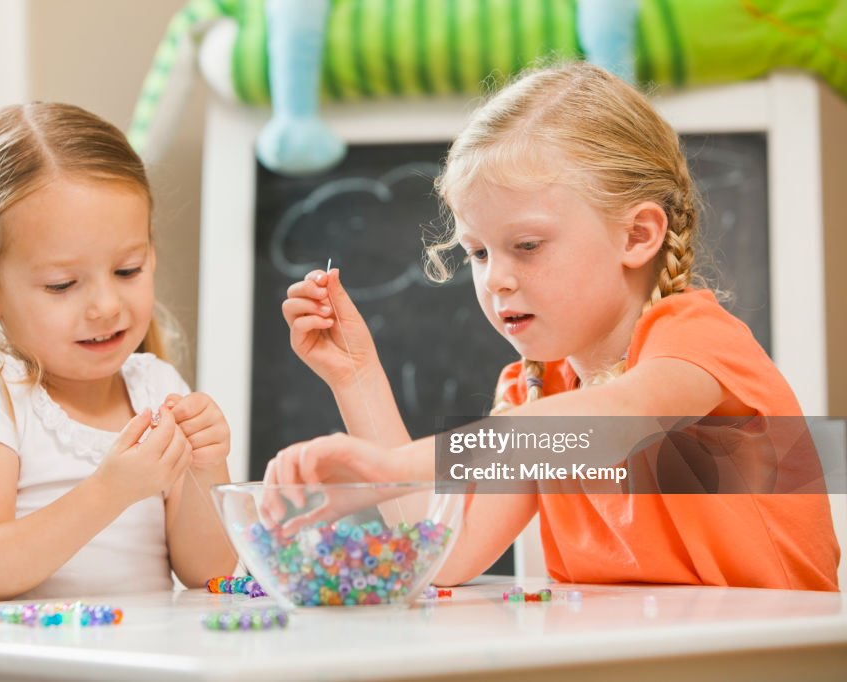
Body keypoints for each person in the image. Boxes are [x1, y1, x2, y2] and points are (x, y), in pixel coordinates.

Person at [270, 62, 839, 591]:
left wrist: (398, 465)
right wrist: (358, 378)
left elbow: (611, 424)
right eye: (478, 253)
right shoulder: (535, 392)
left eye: (527, 245)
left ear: (637, 236)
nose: (496, 280)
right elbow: (444, 553)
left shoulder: (696, 342)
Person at [0, 103, 236, 602]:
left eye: (128, 270)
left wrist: (206, 466)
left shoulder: (156, 388)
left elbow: (210, 571)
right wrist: (109, 491)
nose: (105, 306)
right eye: (62, 284)